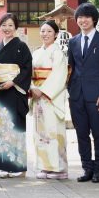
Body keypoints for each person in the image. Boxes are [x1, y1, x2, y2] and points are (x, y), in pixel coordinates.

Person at [67, 3, 99, 183]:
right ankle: (87, 167)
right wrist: (71, 91)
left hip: (97, 96)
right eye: (80, 17)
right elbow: (71, 68)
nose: (83, 20)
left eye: (87, 17)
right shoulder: (73, 41)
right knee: (81, 133)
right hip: (77, 95)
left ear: (94, 19)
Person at [0, 13, 32, 179]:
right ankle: (4, 165)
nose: (7, 28)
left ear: (16, 27)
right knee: (1, 129)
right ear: (0, 27)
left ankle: (18, 167)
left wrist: (13, 82)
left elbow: (28, 68)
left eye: (10, 25)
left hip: (13, 92)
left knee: (14, 128)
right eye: (4, 25)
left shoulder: (22, 46)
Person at [30, 20, 69, 180]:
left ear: (56, 34)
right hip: (38, 98)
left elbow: (59, 76)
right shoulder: (36, 53)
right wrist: (32, 87)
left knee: (53, 132)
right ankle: (45, 167)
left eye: (49, 31)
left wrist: (43, 90)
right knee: (40, 133)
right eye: (43, 31)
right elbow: (30, 73)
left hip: (51, 99)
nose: (45, 34)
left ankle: (59, 169)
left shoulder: (58, 53)